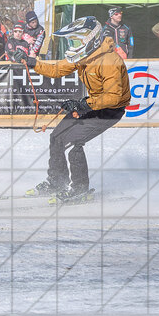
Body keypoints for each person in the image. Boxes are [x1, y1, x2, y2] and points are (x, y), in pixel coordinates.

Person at [15, 16, 131, 202]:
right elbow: (57, 69)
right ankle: (57, 182)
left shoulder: (110, 60)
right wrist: (32, 62)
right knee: (57, 137)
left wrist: (83, 104)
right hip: (92, 103)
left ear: (90, 39)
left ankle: (80, 189)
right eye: (72, 40)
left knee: (72, 143)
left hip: (111, 110)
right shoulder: (84, 55)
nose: (73, 44)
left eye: (76, 40)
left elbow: (113, 96)